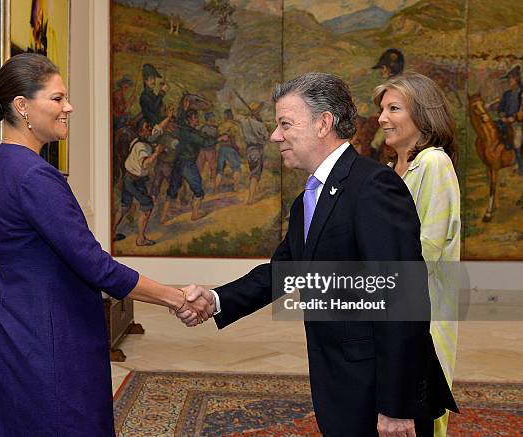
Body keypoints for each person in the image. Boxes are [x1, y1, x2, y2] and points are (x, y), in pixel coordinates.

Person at [178, 72, 458, 436]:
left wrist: (397, 406)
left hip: (378, 392)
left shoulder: (373, 186)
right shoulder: (307, 199)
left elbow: (402, 297)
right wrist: (216, 299)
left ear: (324, 123)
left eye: (285, 124)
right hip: (339, 381)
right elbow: (283, 272)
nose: (276, 136)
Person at [0, 53, 212, 436]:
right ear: (22, 106)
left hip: (5, 318)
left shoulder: (1, 164)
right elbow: (96, 266)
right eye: (57, 98)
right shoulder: (34, 176)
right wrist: (177, 298)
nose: (69, 107)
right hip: (45, 333)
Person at [373, 72, 461, 437]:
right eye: (381, 108)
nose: (381, 118)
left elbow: (425, 251)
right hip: (390, 312)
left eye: (394, 108)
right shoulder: (391, 170)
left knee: (416, 419)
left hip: (420, 317)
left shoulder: (434, 164)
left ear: (422, 115)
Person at [112, 118, 164, 246]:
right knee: (147, 207)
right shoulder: (142, 146)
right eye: (148, 128)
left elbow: (158, 130)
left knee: (124, 206)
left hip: (128, 178)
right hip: (135, 181)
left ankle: (112, 233)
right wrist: (157, 153)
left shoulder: (139, 140)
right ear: (141, 131)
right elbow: (145, 164)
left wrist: (167, 117)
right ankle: (141, 239)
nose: (150, 130)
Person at [235, 102, 269, 204]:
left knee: (253, 172)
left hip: (249, 150)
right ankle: (251, 198)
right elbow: (266, 137)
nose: (260, 113)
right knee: (255, 174)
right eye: (259, 111)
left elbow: (236, 116)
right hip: (257, 150)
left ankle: (253, 193)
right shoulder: (260, 125)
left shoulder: (244, 122)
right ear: (256, 112)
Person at [216, 108, 243, 192]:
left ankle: (216, 188)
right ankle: (236, 188)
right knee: (236, 168)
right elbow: (238, 140)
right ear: (231, 116)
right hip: (231, 148)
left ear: (225, 116)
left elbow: (218, 138)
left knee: (220, 170)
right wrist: (239, 149)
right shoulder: (235, 126)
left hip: (222, 148)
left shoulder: (220, 126)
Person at [139, 63, 168, 128]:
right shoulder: (144, 96)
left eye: (154, 78)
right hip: (153, 124)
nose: (154, 81)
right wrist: (161, 92)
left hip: (158, 121)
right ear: (145, 81)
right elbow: (153, 108)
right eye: (151, 79)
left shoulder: (151, 94)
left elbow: (159, 105)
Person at [198, 111, 219, 193]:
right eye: (212, 118)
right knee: (201, 168)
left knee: (212, 169)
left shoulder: (204, 128)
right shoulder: (204, 128)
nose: (214, 119)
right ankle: (201, 186)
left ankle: (214, 187)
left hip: (210, 150)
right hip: (204, 151)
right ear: (209, 119)